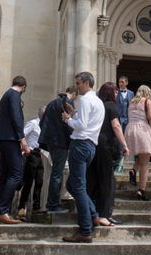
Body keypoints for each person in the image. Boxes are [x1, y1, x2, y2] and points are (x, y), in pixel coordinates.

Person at [61, 72, 105, 243]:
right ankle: (93, 215)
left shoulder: (86, 100)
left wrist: (67, 120)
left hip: (80, 145)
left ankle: (86, 230)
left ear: (87, 83)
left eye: (78, 83)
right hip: (90, 146)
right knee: (72, 184)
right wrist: (74, 115)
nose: (77, 86)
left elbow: (81, 125)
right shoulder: (98, 101)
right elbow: (87, 122)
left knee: (77, 187)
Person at [87, 82, 129, 226]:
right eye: (115, 91)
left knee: (94, 179)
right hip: (106, 145)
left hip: (93, 143)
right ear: (110, 93)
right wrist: (124, 145)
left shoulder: (97, 105)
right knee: (108, 180)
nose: (117, 94)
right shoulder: (111, 105)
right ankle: (104, 214)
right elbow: (116, 126)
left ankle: (92, 212)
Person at [0, 75, 29, 224]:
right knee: (16, 173)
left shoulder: (6, 95)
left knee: (6, 175)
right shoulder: (14, 95)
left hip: (3, 139)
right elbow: (16, 117)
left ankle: (0, 211)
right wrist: (22, 139)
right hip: (10, 139)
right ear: (24, 87)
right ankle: (2, 210)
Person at [39, 88, 75, 213]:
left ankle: (52, 203)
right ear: (74, 94)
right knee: (57, 174)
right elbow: (69, 124)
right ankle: (53, 204)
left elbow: (42, 122)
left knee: (56, 172)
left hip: (51, 141)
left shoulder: (52, 103)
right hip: (61, 142)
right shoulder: (67, 103)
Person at [124, 85, 151, 200]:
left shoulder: (131, 102)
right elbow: (150, 117)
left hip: (130, 129)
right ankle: (142, 190)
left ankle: (133, 171)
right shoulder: (147, 101)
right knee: (145, 163)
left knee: (142, 156)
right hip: (142, 129)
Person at [17, 106, 46, 220]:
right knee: (28, 182)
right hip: (31, 154)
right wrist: (25, 147)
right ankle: (21, 208)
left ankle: (36, 206)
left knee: (39, 181)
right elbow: (22, 134)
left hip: (40, 154)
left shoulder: (46, 126)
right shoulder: (33, 123)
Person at [115, 76, 134, 173]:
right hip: (118, 119)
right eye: (119, 82)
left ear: (127, 83)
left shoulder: (131, 93)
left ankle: (128, 160)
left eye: (122, 82)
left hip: (128, 119)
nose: (120, 84)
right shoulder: (115, 92)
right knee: (119, 140)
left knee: (128, 139)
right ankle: (119, 161)